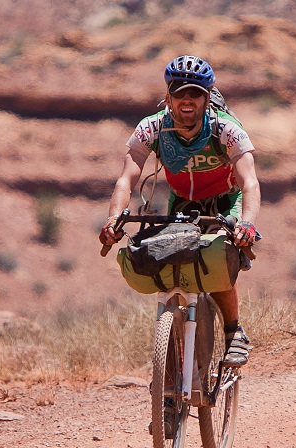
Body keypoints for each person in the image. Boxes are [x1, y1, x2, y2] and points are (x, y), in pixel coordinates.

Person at [99, 54, 260, 366]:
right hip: (184, 202)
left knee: (218, 259)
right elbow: (126, 178)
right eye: (180, 93)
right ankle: (172, 372)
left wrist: (247, 223)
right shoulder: (153, 128)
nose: (188, 100)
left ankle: (233, 331)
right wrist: (113, 219)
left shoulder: (225, 129)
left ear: (207, 98)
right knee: (170, 261)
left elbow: (250, 182)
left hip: (227, 200)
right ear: (168, 97)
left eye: (196, 94)